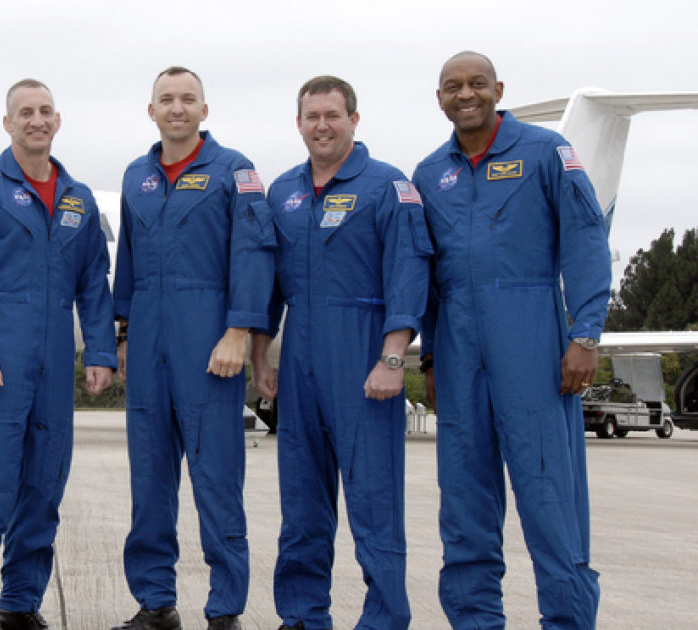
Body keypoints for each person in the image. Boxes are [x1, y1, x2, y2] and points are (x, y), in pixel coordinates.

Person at [413, 51, 609, 628]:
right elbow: (424, 275)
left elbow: (586, 241)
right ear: (440, 97)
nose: (465, 94)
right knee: (465, 505)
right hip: (456, 348)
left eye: (476, 84)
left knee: (550, 501)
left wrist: (586, 333)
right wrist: (430, 356)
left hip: (531, 337)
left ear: (498, 88)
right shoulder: (429, 174)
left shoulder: (546, 153)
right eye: (453, 86)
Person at [251, 76, 431, 630]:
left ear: (355, 118)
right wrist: (262, 358)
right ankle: (302, 615)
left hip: (364, 349)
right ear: (298, 123)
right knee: (302, 499)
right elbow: (268, 286)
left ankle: (383, 618)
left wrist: (393, 357)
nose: (322, 126)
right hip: (300, 349)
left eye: (333, 115)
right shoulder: (282, 192)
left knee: (374, 500)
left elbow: (408, 272)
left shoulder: (388, 187)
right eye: (312, 116)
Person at [0, 78, 116, 630]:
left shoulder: (78, 198)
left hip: (53, 362)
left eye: (45, 111)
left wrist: (101, 351)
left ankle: (20, 604)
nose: (36, 120)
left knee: (44, 488)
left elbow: (94, 281)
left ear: (57, 121)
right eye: (25, 112)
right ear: (8, 123)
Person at [111, 66, 274, 630]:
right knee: (149, 479)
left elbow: (254, 252)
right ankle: (155, 603)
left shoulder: (235, 171)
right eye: (166, 99)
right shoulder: (137, 175)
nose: (176, 108)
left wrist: (238, 331)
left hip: (209, 337)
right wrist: (126, 334)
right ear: (151, 110)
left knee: (216, 479)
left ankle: (224, 609)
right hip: (150, 334)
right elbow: (126, 263)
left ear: (205, 110)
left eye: (188, 99)